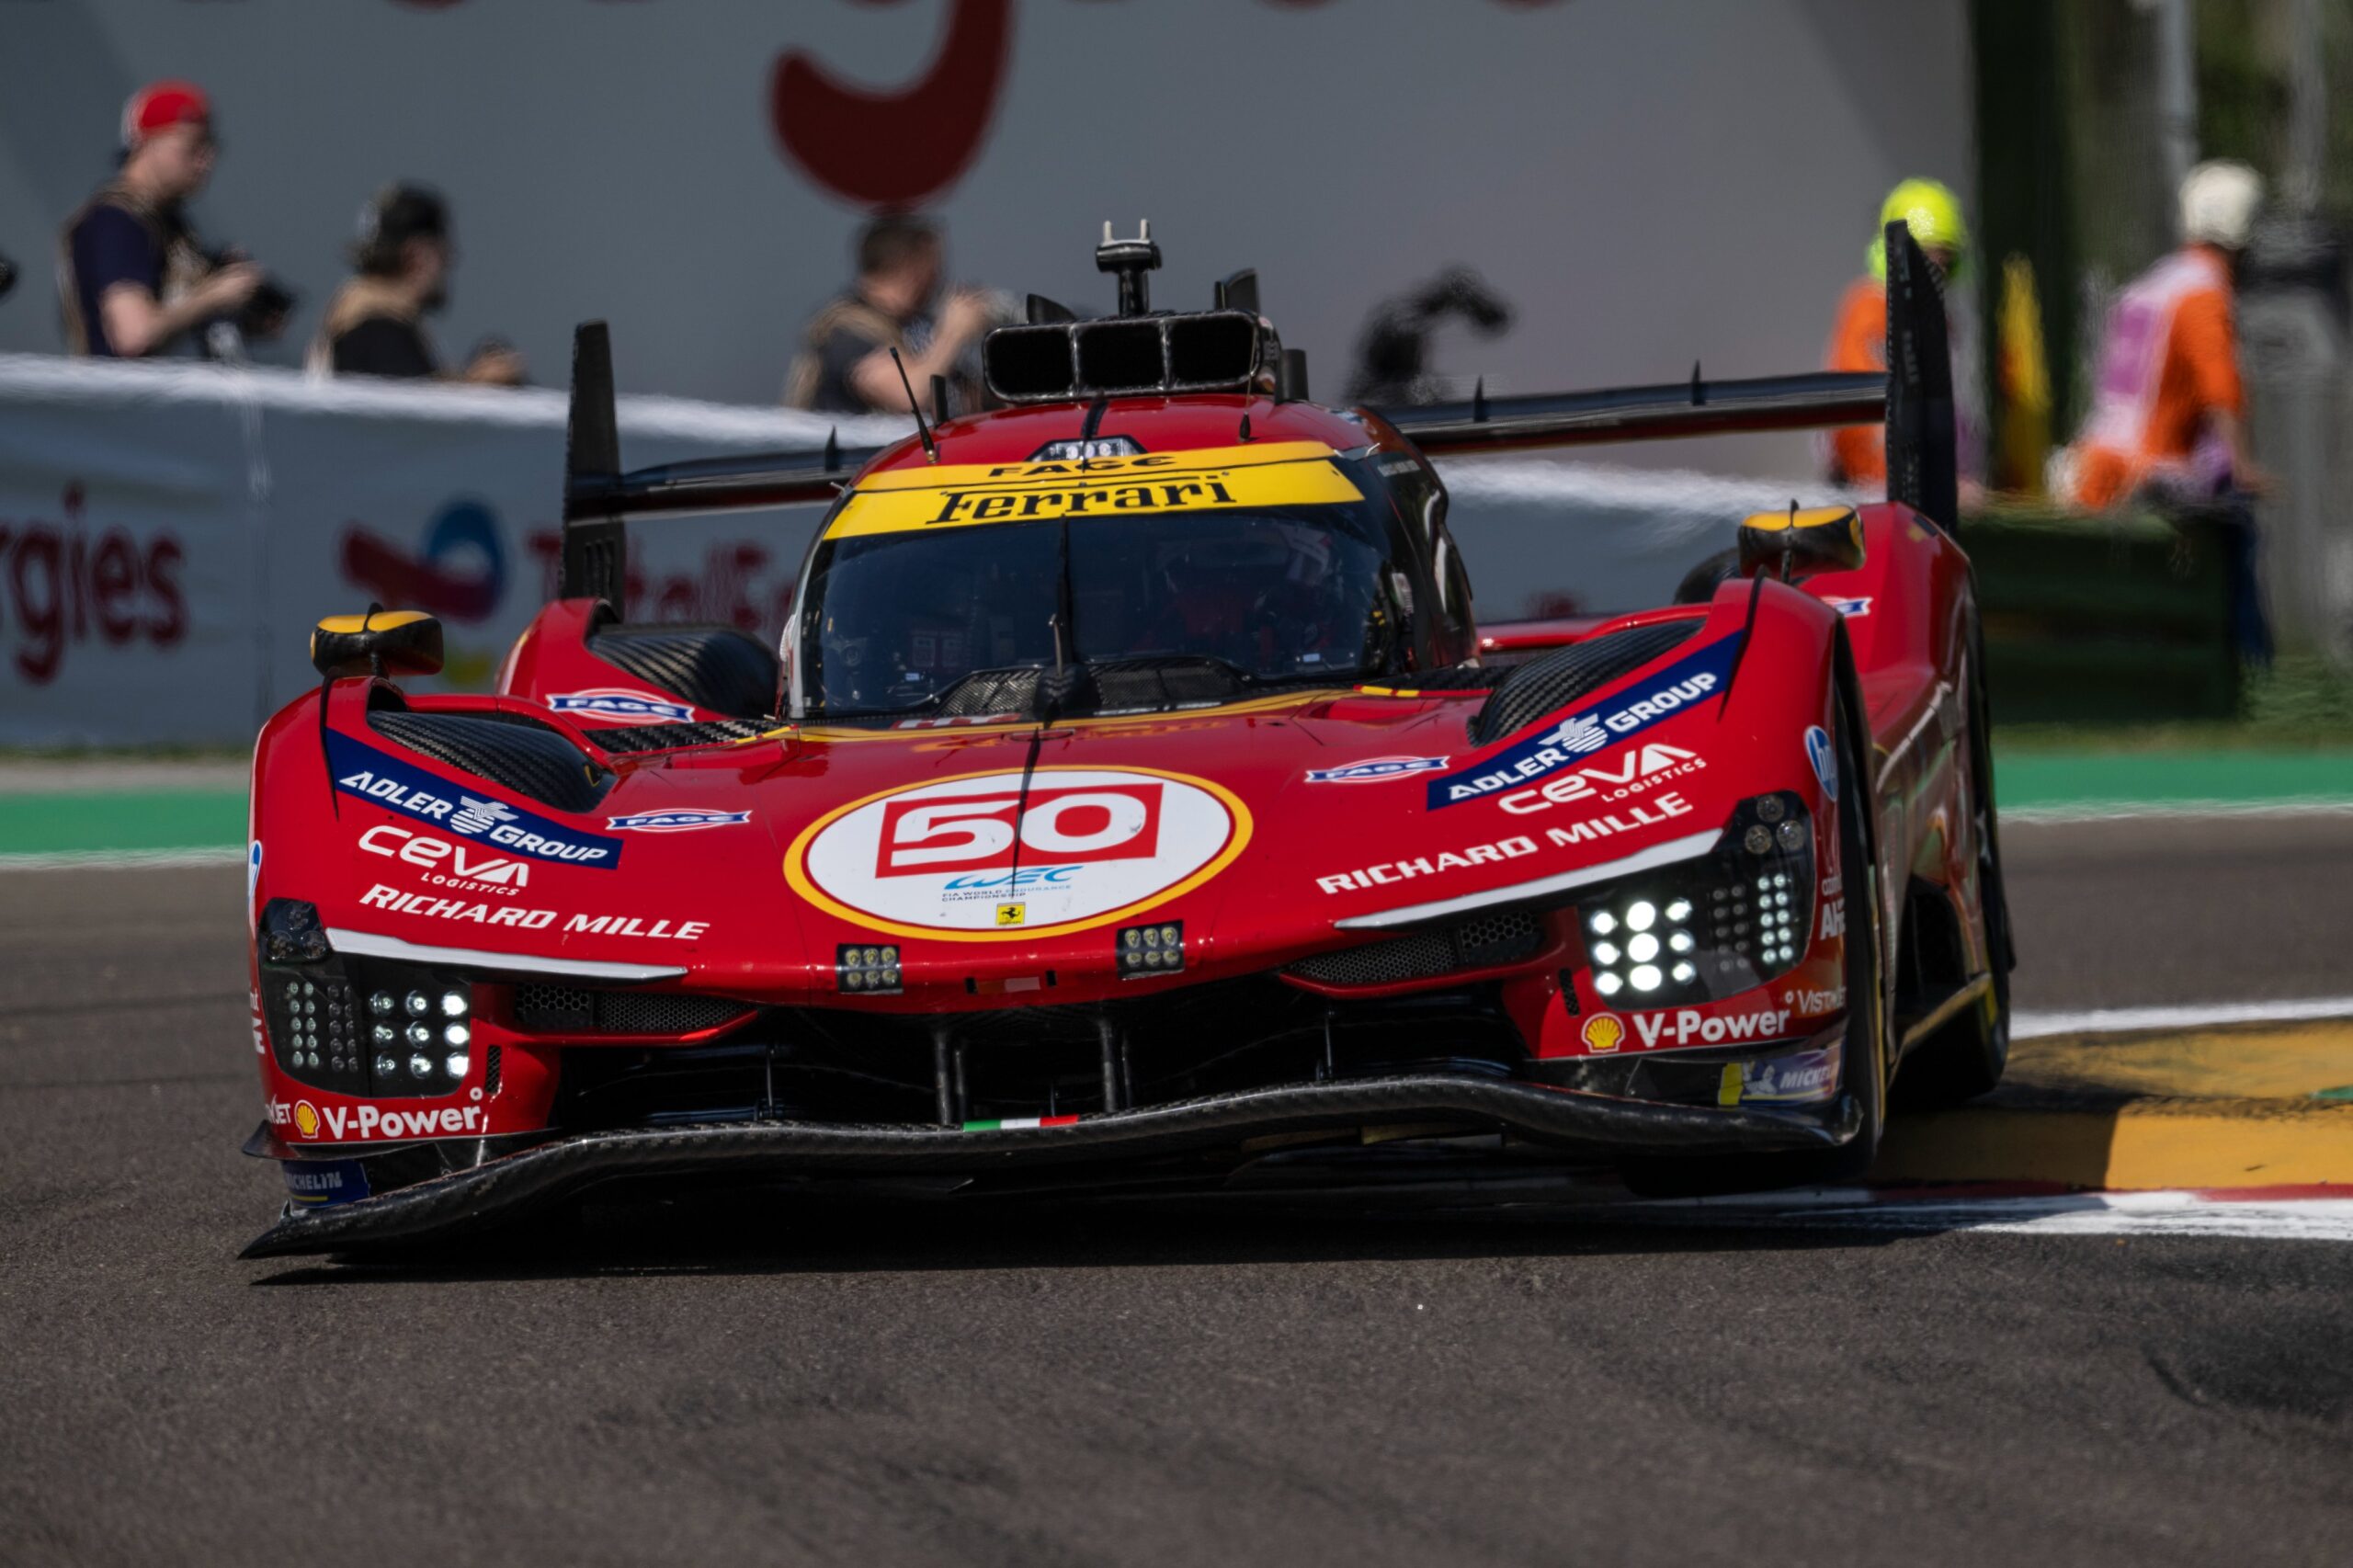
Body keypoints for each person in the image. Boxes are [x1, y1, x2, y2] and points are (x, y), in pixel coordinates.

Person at [2055, 161, 2270, 661]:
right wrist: (2242, 466)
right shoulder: (2204, 295)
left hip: (2099, 470)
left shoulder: (2151, 285)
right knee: (2237, 529)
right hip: (2148, 477)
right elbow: (2221, 390)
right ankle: (2244, 664)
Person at [58, 80, 272, 358]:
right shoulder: (116, 221)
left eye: (211, 146)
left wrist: (239, 303)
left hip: (158, 384)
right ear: (147, 144)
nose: (206, 160)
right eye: (193, 146)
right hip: (116, 385)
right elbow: (134, 335)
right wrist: (215, 295)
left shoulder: (167, 221)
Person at [1822, 177, 1972, 489]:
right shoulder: (1869, 310)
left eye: (1944, 259)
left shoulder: (1943, 322)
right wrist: (1921, 485)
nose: (1936, 271)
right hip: (1872, 497)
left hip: (1935, 495)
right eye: (1925, 257)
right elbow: (1861, 422)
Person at [310, 184, 524, 384]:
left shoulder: (361, 314)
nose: (450, 263)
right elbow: (407, 403)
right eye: (445, 253)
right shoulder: (378, 327)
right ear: (417, 257)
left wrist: (468, 380)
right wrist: (477, 387)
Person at [784, 214, 992, 415]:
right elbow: (908, 395)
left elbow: (966, 397)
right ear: (911, 266)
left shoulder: (919, 326)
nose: (940, 276)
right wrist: (953, 333)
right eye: (934, 265)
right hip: (866, 441)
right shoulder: (849, 330)